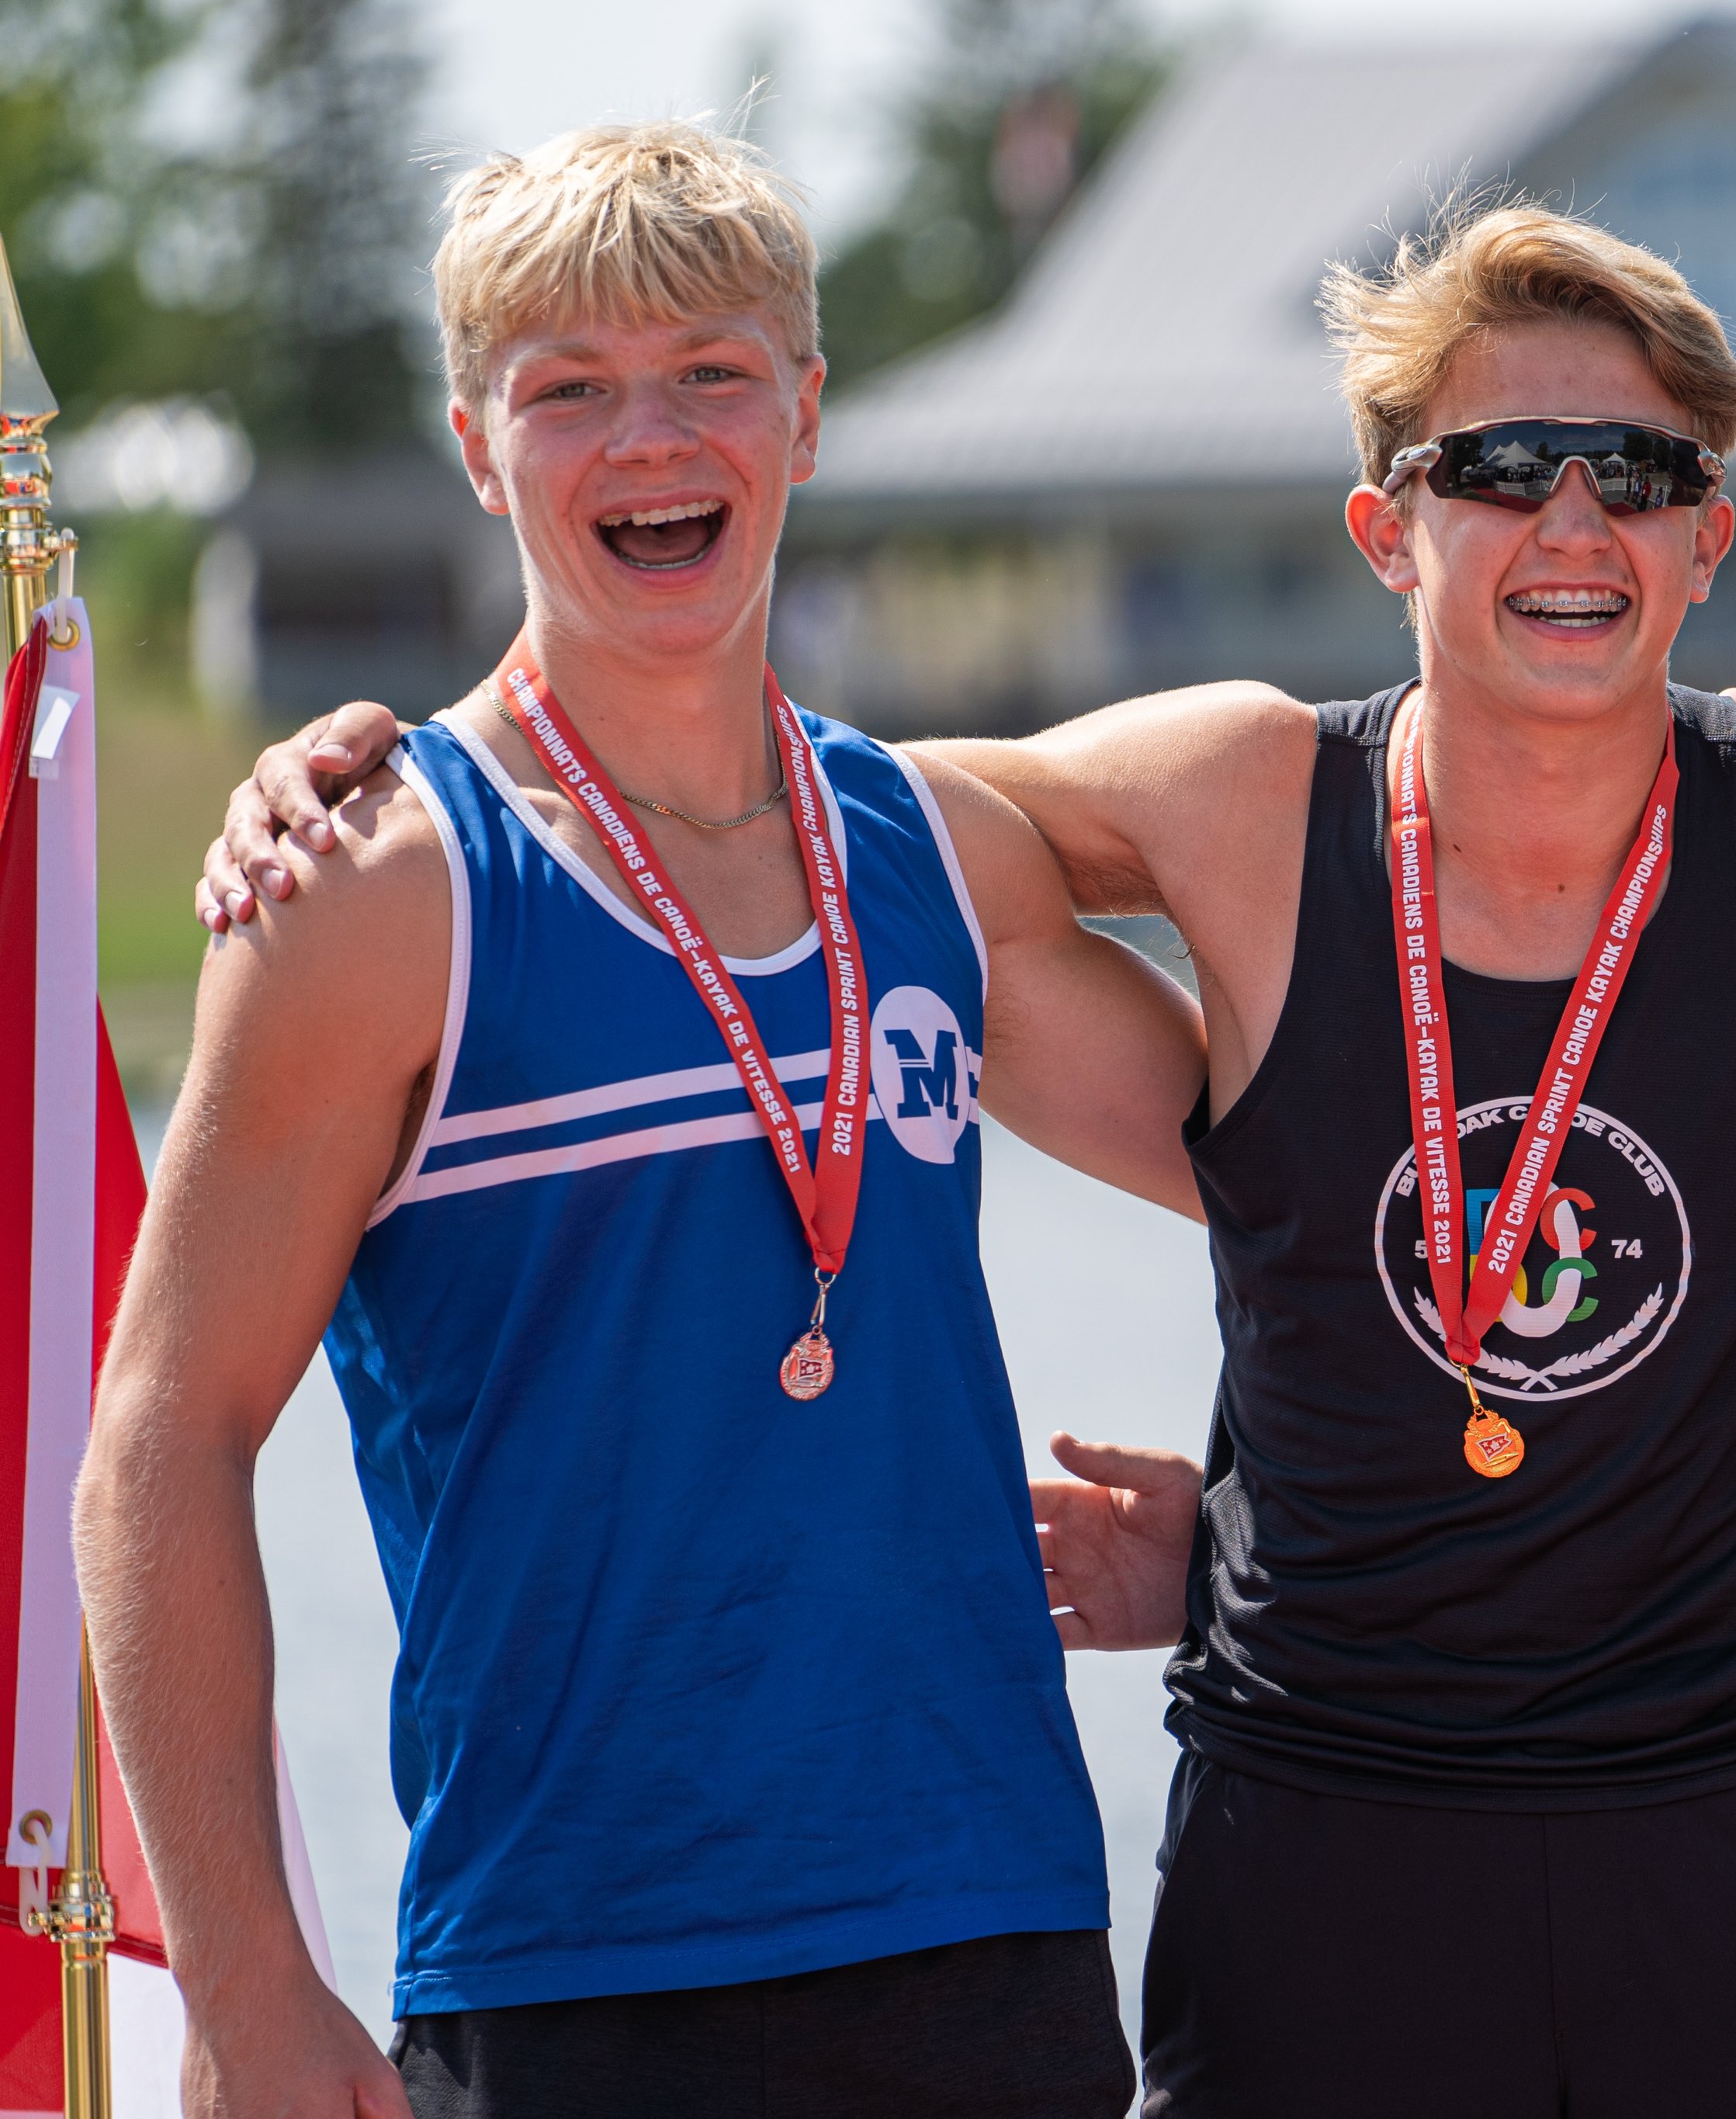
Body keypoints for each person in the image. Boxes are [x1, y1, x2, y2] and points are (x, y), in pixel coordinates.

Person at [199, 210, 1736, 2117]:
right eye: (1499, 469)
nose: (1568, 517)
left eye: (1637, 473)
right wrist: (398, 760)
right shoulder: (1224, 795)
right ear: (1385, 526)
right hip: (1321, 1844)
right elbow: (778, 797)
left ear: (1711, 541)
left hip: (1723, 1831)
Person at [79, 123, 1212, 2119]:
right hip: (571, 1971)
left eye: (710, 374)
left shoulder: (936, 854)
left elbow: (1332, 1194)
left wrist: (1265, 1554)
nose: (651, 441)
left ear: (806, 411)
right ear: (474, 444)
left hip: (989, 1935)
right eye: (571, 391)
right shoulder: (374, 892)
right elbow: (159, 1443)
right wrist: (247, 1989)